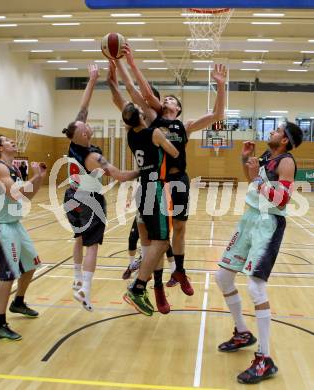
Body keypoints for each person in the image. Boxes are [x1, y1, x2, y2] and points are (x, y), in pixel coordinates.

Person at [120, 43, 227, 294]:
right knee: (159, 235)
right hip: (158, 183)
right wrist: (131, 63)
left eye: (172, 99)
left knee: (180, 227)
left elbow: (217, 113)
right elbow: (142, 92)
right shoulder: (153, 117)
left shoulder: (185, 125)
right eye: (164, 98)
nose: (167, 100)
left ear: (178, 108)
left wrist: (220, 85)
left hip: (180, 180)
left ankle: (179, 270)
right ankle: (156, 284)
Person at [215, 121, 303, 384]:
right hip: (249, 219)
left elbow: (282, 200)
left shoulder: (286, 162)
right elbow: (252, 184)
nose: (272, 132)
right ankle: (243, 332)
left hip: (268, 224)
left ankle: (265, 359)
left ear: (285, 140)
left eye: (276, 130)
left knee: (255, 288)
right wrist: (245, 161)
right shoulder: (267, 156)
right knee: (223, 277)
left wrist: (257, 177)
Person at [62, 64, 139, 312]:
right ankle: (85, 287)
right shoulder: (92, 155)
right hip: (89, 200)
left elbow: (83, 110)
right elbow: (121, 175)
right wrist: (144, 169)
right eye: (85, 125)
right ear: (83, 132)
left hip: (70, 196)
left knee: (79, 237)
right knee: (92, 245)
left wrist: (92, 81)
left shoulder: (73, 144)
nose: (87, 123)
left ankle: (76, 276)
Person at [108, 60, 179, 315]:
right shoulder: (153, 131)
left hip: (143, 187)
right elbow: (173, 151)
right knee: (159, 242)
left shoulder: (130, 131)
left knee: (152, 243)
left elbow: (120, 97)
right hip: (154, 189)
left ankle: (148, 286)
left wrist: (111, 71)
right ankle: (140, 287)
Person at [0, 135, 47, 340]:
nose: (13, 141)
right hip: (1, 226)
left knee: (30, 265)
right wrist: (33, 178)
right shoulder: (0, 168)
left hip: (15, 224)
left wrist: (38, 176)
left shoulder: (14, 169)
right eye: (7, 140)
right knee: (9, 274)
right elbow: (14, 194)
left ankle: (18, 302)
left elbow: (27, 196)